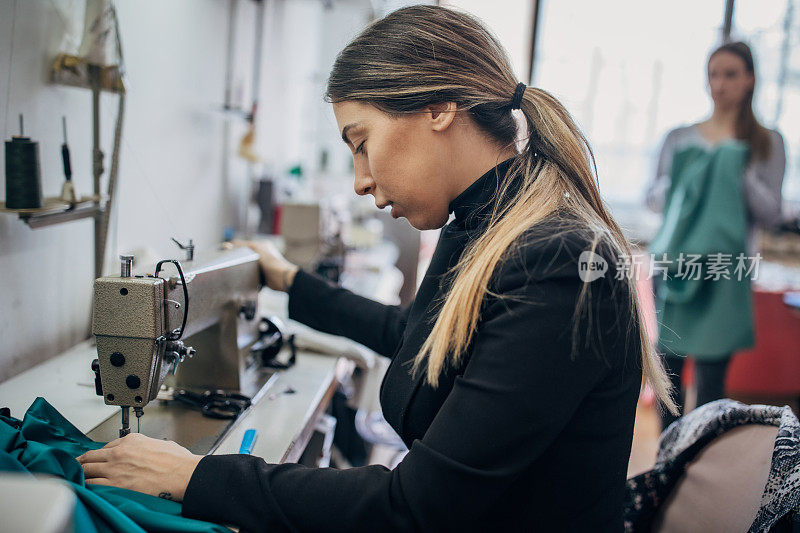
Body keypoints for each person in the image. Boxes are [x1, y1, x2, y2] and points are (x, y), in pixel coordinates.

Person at [78, 6, 675, 531]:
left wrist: (199, 477)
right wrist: (292, 283)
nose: (361, 180)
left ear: (438, 107)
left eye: (362, 143)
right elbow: (423, 338)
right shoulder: (484, 220)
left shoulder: (559, 262)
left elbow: (416, 506)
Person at [645, 41, 786, 431]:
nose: (719, 84)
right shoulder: (680, 137)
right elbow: (653, 199)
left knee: (711, 381)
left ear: (750, 79)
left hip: (727, 272)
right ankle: (666, 463)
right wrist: (688, 181)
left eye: (730, 74)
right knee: (667, 374)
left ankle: (700, 466)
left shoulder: (766, 143)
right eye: (713, 74)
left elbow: (772, 213)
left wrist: (734, 173)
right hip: (675, 266)